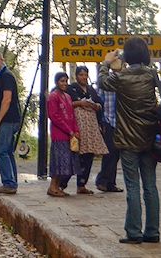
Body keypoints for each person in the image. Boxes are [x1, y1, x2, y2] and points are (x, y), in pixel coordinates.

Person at [99, 38, 161, 244]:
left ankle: (134, 232)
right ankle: (152, 232)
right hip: (150, 139)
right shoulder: (152, 75)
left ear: (127, 55)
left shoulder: (121, 78)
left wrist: (106, 63)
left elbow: (102, 82)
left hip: (127, 140)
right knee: (150, 186)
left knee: (133, 186)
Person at [63, 65, 108, 194]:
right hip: (78, 125)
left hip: (91, 126)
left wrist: (96, 106)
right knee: (76, 154)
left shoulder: (91, 89)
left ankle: (82, 184)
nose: (83, 77)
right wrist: (80, 103)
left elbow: (99, 103)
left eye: (85, 75)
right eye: (81, 75)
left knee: (89, 155)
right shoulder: (72, 88)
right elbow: (67, 104)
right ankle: (62, 183)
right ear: (76, 76)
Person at [0, 51, 21, 194]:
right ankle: (12, 182)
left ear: (2, 60)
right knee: (8, 151)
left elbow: (7, 99)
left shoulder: (6, 76)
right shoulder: (0, 76)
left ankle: (9, 183)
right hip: (10, 119)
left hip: (9, 119)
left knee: (0, 151)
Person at [47, 72, 80, 197]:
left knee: (68, 163)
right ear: (57, 82)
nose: (65, 84)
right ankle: (53, 186)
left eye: (66, 81)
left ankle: (58, 186)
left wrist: (75, 130)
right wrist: (69, 130)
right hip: (59, 134)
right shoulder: (53, 96)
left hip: (69, 135)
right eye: (62, 81)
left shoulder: (67, 96)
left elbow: (72, 115)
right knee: (59, 162)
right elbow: (54, 116)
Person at [95, 66, 124, 193]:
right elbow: (99, 102)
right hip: (109, 121)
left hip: (122, 123)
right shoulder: (105, 81)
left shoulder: (126, 80)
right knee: (110, 152)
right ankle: (102, 180)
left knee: (116, 154)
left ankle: (111, 183)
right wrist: (100, 122)